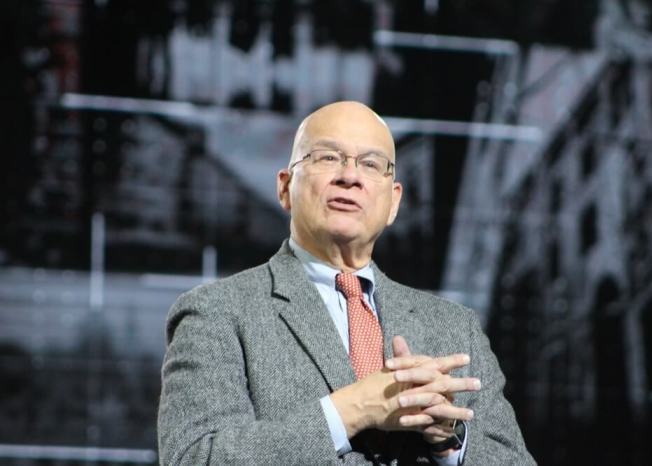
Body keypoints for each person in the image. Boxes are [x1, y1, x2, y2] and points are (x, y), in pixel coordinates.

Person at [157, 101, 535, 465]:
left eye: (371, 164)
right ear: (285, 187)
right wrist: (349, 411)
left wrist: (451, 443)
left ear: (393, 203)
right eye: (327, 157)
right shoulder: (216, 313)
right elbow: (195, 458)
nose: (350, 176)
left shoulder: (456, 329)